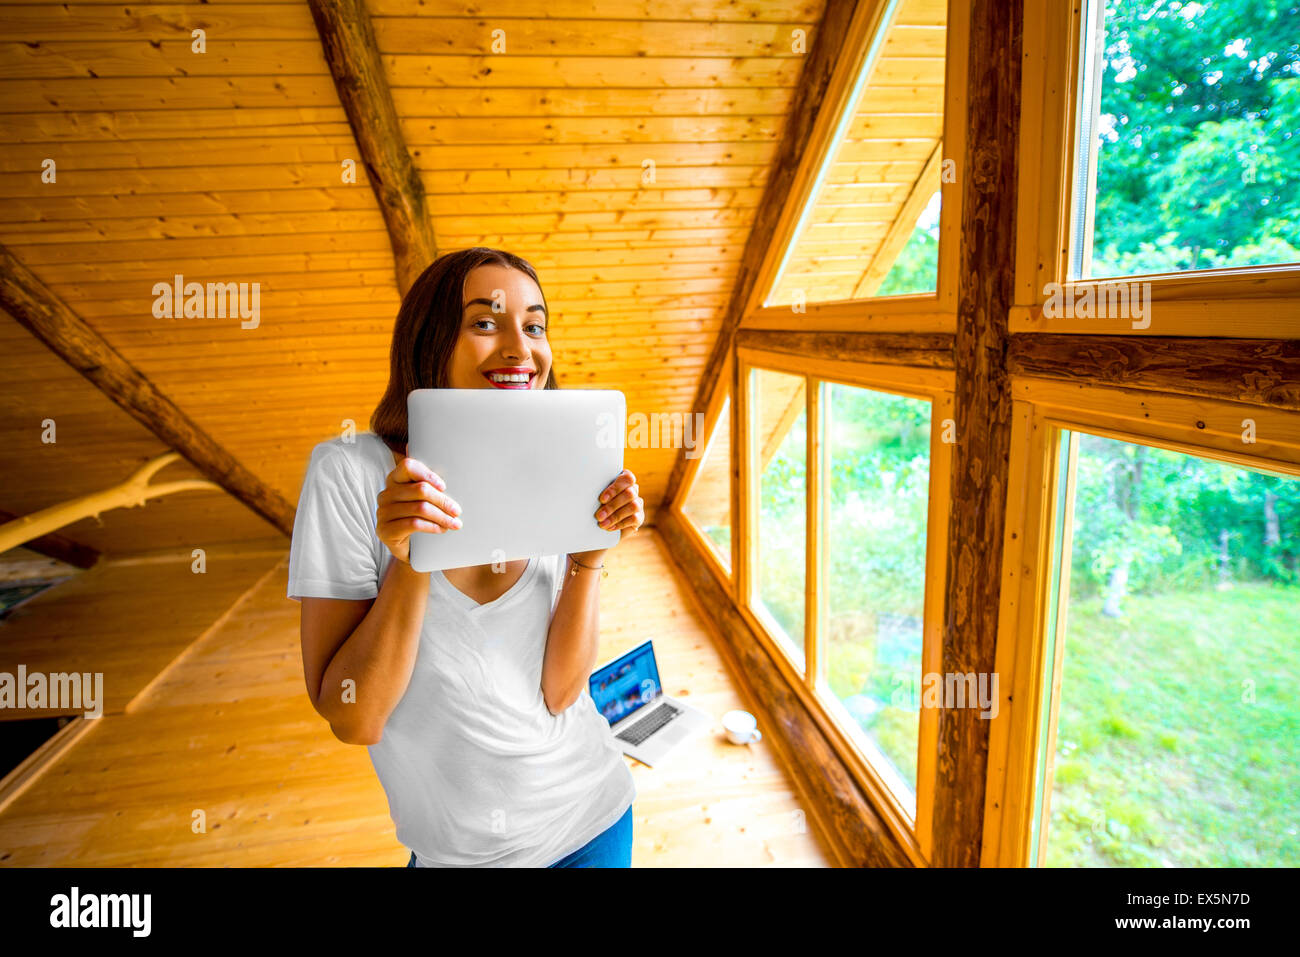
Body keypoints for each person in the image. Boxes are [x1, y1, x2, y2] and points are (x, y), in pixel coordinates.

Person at [286, 247, 643, 867]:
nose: (519, 348)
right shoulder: (349, 472)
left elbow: (561, 694)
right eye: (485, 322)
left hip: (593, 817)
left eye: (534, 325)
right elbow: (355, 717)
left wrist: (589, 560)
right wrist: (410, 558)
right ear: (429, 341)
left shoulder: (554, 465)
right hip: (462, 856)